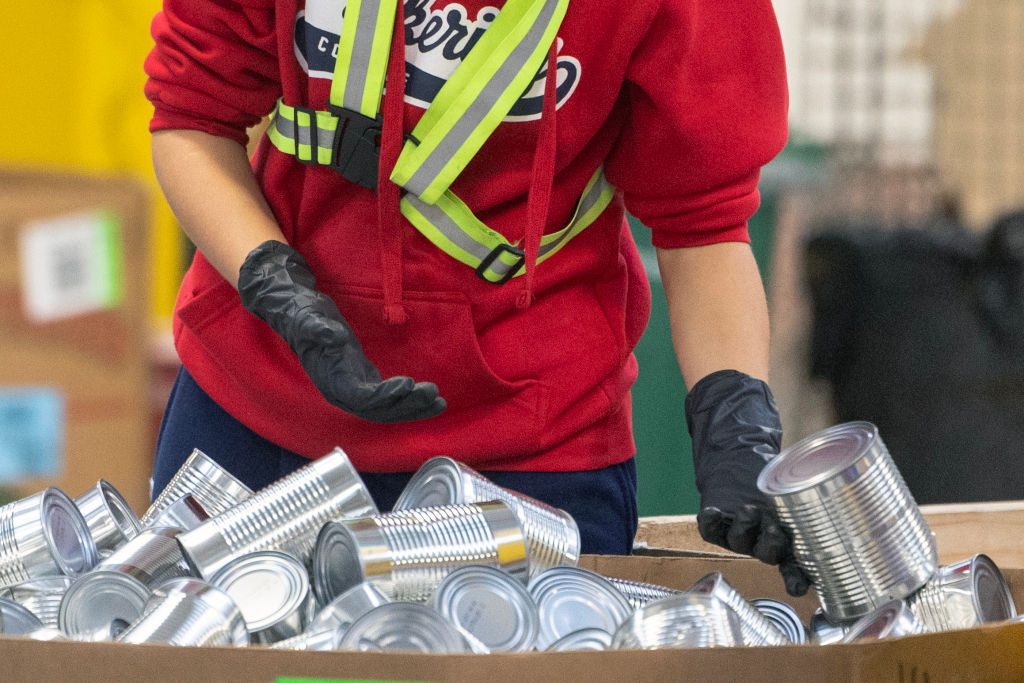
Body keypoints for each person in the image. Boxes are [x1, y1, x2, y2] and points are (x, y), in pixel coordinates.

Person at [144, 0, 808, 593]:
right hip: (255, 407)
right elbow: (190, 118)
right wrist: (276, 288)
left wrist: (735, 423)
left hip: (528, 447)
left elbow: (705, 223)